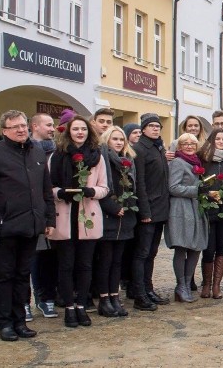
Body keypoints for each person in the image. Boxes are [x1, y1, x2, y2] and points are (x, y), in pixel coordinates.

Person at [0, 110, 55, 341]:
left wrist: (49, 219)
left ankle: (20, 321)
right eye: (15, 127)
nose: (21, 130)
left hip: (32, 225)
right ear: (4, 131)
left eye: (23, 125)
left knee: (22, 275)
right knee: (4, 276)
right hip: (6, 227)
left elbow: (46, 189)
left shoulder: (37, 151)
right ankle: (4, 323)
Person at [49, 115, 110, 327]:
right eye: (75, 129)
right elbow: (48, 187)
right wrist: (60, 192)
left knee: (85, 265)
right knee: (66, 265)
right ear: (69, 132)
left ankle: (82, 305)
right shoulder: (57, 156)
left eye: (83, 129)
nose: (80, 133)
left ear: (88, 131)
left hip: (88, 215)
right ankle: (68, 307)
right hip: (65, 214)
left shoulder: (97, 156)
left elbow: (105, 187)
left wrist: (92, 191)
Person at [96, 126, 138, 317]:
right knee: (105, 261)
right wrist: (113, 208)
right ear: (107, 140)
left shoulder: (128, 161)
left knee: (117, 262)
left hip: (125, 218)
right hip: (108, 217)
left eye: (122, 139)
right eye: (115, 139)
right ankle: (104, 299)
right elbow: (100, 188)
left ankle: (115, 297)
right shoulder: (102, 160)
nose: (119, 142)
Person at [132, 113, 171, 311]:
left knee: (152, 253)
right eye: (152, 126)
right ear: (144, 128)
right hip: (148, 210)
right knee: (142, 253)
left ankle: (148, 289)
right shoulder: (139, 149)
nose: (156, 129)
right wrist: (144, 211)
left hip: (160, 209)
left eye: (158, 126)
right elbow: (140, 183)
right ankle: (139, 294)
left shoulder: (158, 148)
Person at [164, 133, 210, 303]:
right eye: (185, 143)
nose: (189, 146)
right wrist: (196, 190)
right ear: (179, 146)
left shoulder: (196, 161)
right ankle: (181, 286)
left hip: (195, 207)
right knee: (182, 247)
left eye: (192, 143)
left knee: (196, 247)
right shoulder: (177, 162)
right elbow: (173, 187)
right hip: (181, 209)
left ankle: (187, 282)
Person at [198, 129, 223, 299]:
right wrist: (208, 195)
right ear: (212, 141)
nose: (221, 141)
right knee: (208, 249)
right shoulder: (205, 160)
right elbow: (199, 183)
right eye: (218, 139)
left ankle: (216, 285)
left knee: (222, 247)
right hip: (208, 210)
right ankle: (206, 284)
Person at [28, 113, 58, 320]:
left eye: (53, 125)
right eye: (48, 125)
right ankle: (36, 297)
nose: (52, 128)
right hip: (33, 210)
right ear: (35, 126)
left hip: (54, 209)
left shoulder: (55, 150)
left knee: (50, 257)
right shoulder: (28, 150)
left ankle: (48, 296)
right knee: (35, 256)